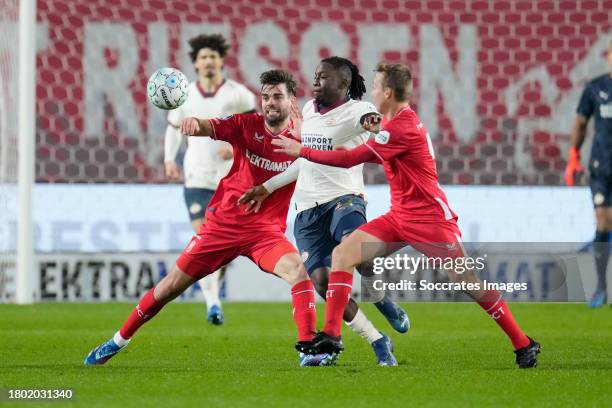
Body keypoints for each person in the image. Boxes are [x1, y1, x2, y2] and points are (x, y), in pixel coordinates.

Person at [272, 62, 542, 369]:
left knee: (467, 281)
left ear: (387, 92)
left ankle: (523, 342)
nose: (372, 91)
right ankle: (332, 336)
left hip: (430, 220)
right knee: (344, 254)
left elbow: (349, 159)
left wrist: (301, 150)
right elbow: (367, 126)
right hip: (400, 216)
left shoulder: (402, 129)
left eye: (376, 87)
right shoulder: (391, 123)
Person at [85, 70, 332, 367]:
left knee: (298, 272)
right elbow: (211, 126)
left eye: (277, 96)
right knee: (169, 287)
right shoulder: (246, 124)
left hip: (265, 233)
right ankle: (116, 342)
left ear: (292, 100)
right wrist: (193, 124)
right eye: (265, 97)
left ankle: (308, 350)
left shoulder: (306, 137)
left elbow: (337, 149)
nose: (270, 103)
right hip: (223, 227)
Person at [240, 57, 409, 366]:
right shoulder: (307, 111)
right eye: (315, 76)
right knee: (321, 283)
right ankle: (378, 340)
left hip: (345, 198)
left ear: (344, 84)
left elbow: (373, 121)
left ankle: (380, 297)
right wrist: (270, 186)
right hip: (307, 209)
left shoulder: (357, 110)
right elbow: (305, 159)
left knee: (353, 248)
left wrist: (376, 125)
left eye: (324, 77)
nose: (315, 81)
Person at [164, 33, 256, 324]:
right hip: (196, 178)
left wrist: (237, 145)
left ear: (221, 61)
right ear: (195, 63)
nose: (208, 62)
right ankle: (213, 304)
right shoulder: (184, 95)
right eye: (202, 57)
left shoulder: (238, 94)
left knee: (224, 252)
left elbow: (255, 129)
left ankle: (214, 295)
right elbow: (173, 128)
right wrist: (169, 158)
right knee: (203, 238)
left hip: (231, 181)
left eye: (212, 57)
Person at [565, 40, 612, 308]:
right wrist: (573, 157)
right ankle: (601, 288)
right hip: (602, 167)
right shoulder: (596, 88)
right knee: (604, 222)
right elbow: (581, 123)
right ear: (608, 57)